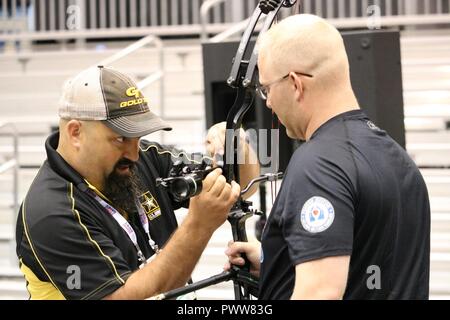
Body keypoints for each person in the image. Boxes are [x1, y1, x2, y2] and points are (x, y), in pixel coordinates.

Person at [225, 14, 430, 300]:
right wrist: (276, 263)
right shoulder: (399, 159)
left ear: (296, 84)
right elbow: (368, 264)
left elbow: (320, 292)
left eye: (266, 89)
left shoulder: (318, 165)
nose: (268, 102)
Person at [16, 65, 259, 300]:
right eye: (120, 138)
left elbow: (240, 184)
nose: (134, 153)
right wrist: (198, 225)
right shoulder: (50, 211)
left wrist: (238, 146)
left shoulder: (143, 156)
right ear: (75, 133)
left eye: (138, 136)